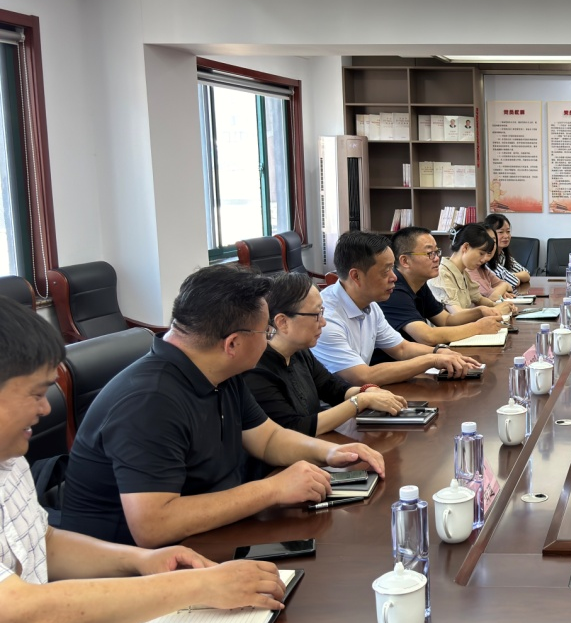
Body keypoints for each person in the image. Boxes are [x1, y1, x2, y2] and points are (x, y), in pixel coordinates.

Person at [0, 297, 288, 623]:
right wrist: (196, 587)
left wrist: (139, 561)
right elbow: (17, 613)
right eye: (36, 394)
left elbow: (44, 542)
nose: (46, 409)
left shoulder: (9, 458)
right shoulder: (149, 395)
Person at [57, 265, 385, 548]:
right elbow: (153, 525)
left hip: (208, 535)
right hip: (134, 568)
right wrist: (272, 489)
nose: (270, 338)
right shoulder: (149, 402)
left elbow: (268, 438)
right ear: (232, 344)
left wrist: (331, 453)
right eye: (266, 331)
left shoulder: (221, 372)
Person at [246, 272, 408, 437]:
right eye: (316, 315)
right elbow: (293, 428)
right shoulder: (256, 371)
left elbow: (334, 388)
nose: (323, 322)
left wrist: (368, 391)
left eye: (322, 312)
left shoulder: (300, 353)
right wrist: (361, 401)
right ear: (282, 322)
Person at [311, 230, 480, 386]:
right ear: (356, 276)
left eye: (392, 269)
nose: (394, 277)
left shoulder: (371, 306)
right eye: (386, 271)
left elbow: (401, 348)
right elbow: (362, 376)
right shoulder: (325, 318)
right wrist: (432, 359)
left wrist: (439, 352)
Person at [380, 227, 512, 346]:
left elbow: (446, 320)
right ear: (405, 261)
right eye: (429, 253)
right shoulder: (394, 290)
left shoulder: (420, 285)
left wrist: (480, 311)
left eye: (436, 252)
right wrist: (478, 327)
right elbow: (427, 336)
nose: (437, 258)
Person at [431, 224, 517, 315]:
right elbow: (457, 313)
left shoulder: (463, 273)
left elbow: (479, 299)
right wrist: (494, 310)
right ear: (465, 247)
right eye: (481, 253)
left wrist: (500, 305)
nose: (483, 259)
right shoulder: (442, 274)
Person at [485, 213, 532, 288]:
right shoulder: (486, 257)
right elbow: (515, 281)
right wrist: (510, 276)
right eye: (501, 232)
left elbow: (527, 274)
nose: (506, 236)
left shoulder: (503, 255)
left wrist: (509, 275)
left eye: (508, 231)